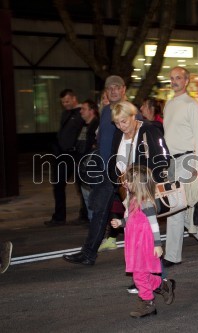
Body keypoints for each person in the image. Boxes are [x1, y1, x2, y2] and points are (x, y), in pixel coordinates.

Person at [62, 75, 128, 266]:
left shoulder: (130, 111)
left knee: (138, 211)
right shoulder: (106, 110)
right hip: (106, 172)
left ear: (124, 89)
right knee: (100, 211)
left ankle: (148, 250)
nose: (114, 90)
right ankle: (89, 253)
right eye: (110, 88)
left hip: (124, 171)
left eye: (117, 87)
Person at [163, 66, 198, 266]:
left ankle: (172, 255)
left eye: (178, 77)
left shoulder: (192, 105)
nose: (174, 81)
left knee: (175, 208)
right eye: (172, 78)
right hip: (171, 161)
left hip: (187, 161)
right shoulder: (169, 105)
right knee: (180, 208)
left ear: (186, 81)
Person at [111, 165, 175, 318]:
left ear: (138, 183)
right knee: (142, 275)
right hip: (134, 244)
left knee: (139, 276)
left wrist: (158, 245)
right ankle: (164, 285)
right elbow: (133, 218)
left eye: (128, 181)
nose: (125, 183)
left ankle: (148, 303)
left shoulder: (146, 203)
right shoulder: (134, 200)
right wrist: (121, 222)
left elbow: (154, 226)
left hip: (145, 244)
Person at [44, 89, 85, 226]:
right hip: (62, 154)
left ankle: (84, 215)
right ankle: (59, 216)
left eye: (67, 101)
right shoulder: (66, 113)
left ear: (74, 98)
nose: (65, 104)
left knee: (81, 185)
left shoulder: (81, 113)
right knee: (58, 185)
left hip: (74, 154)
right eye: (63, 102)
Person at [73, 99, 100, 225]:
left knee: (91, 195)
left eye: (83, 109)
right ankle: (89, 218)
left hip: (90, 165)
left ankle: (94, 222)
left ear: (92, 111)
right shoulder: (83, 125)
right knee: (84, 194)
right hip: (81, 165)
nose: (81, 111)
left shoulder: (96, 125)